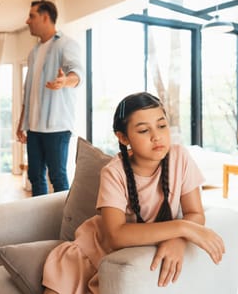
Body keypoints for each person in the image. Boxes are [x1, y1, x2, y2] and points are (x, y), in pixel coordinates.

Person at [42, 92, 225, 293]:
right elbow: (116, 235)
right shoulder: (113, 172)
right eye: (144, 130)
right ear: (123, 137)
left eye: (162, 125)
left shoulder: (180, 157)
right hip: (89, 254)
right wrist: (182, 228)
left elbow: (195, 213)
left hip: (127, 260)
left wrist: (178, 240)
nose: (156, 136)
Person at [16, 0, 84, 196]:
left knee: (58, 177)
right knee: (35, 176)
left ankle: (63, 223)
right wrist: (22, 122)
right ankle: (41, 220)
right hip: (34, 128)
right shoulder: (34, 52)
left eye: (32, 16)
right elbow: (28, 91)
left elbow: (77, 72)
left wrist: (65, 81)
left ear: (45, 17)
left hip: (57, 127)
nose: (27, 21)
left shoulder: (66, 44)